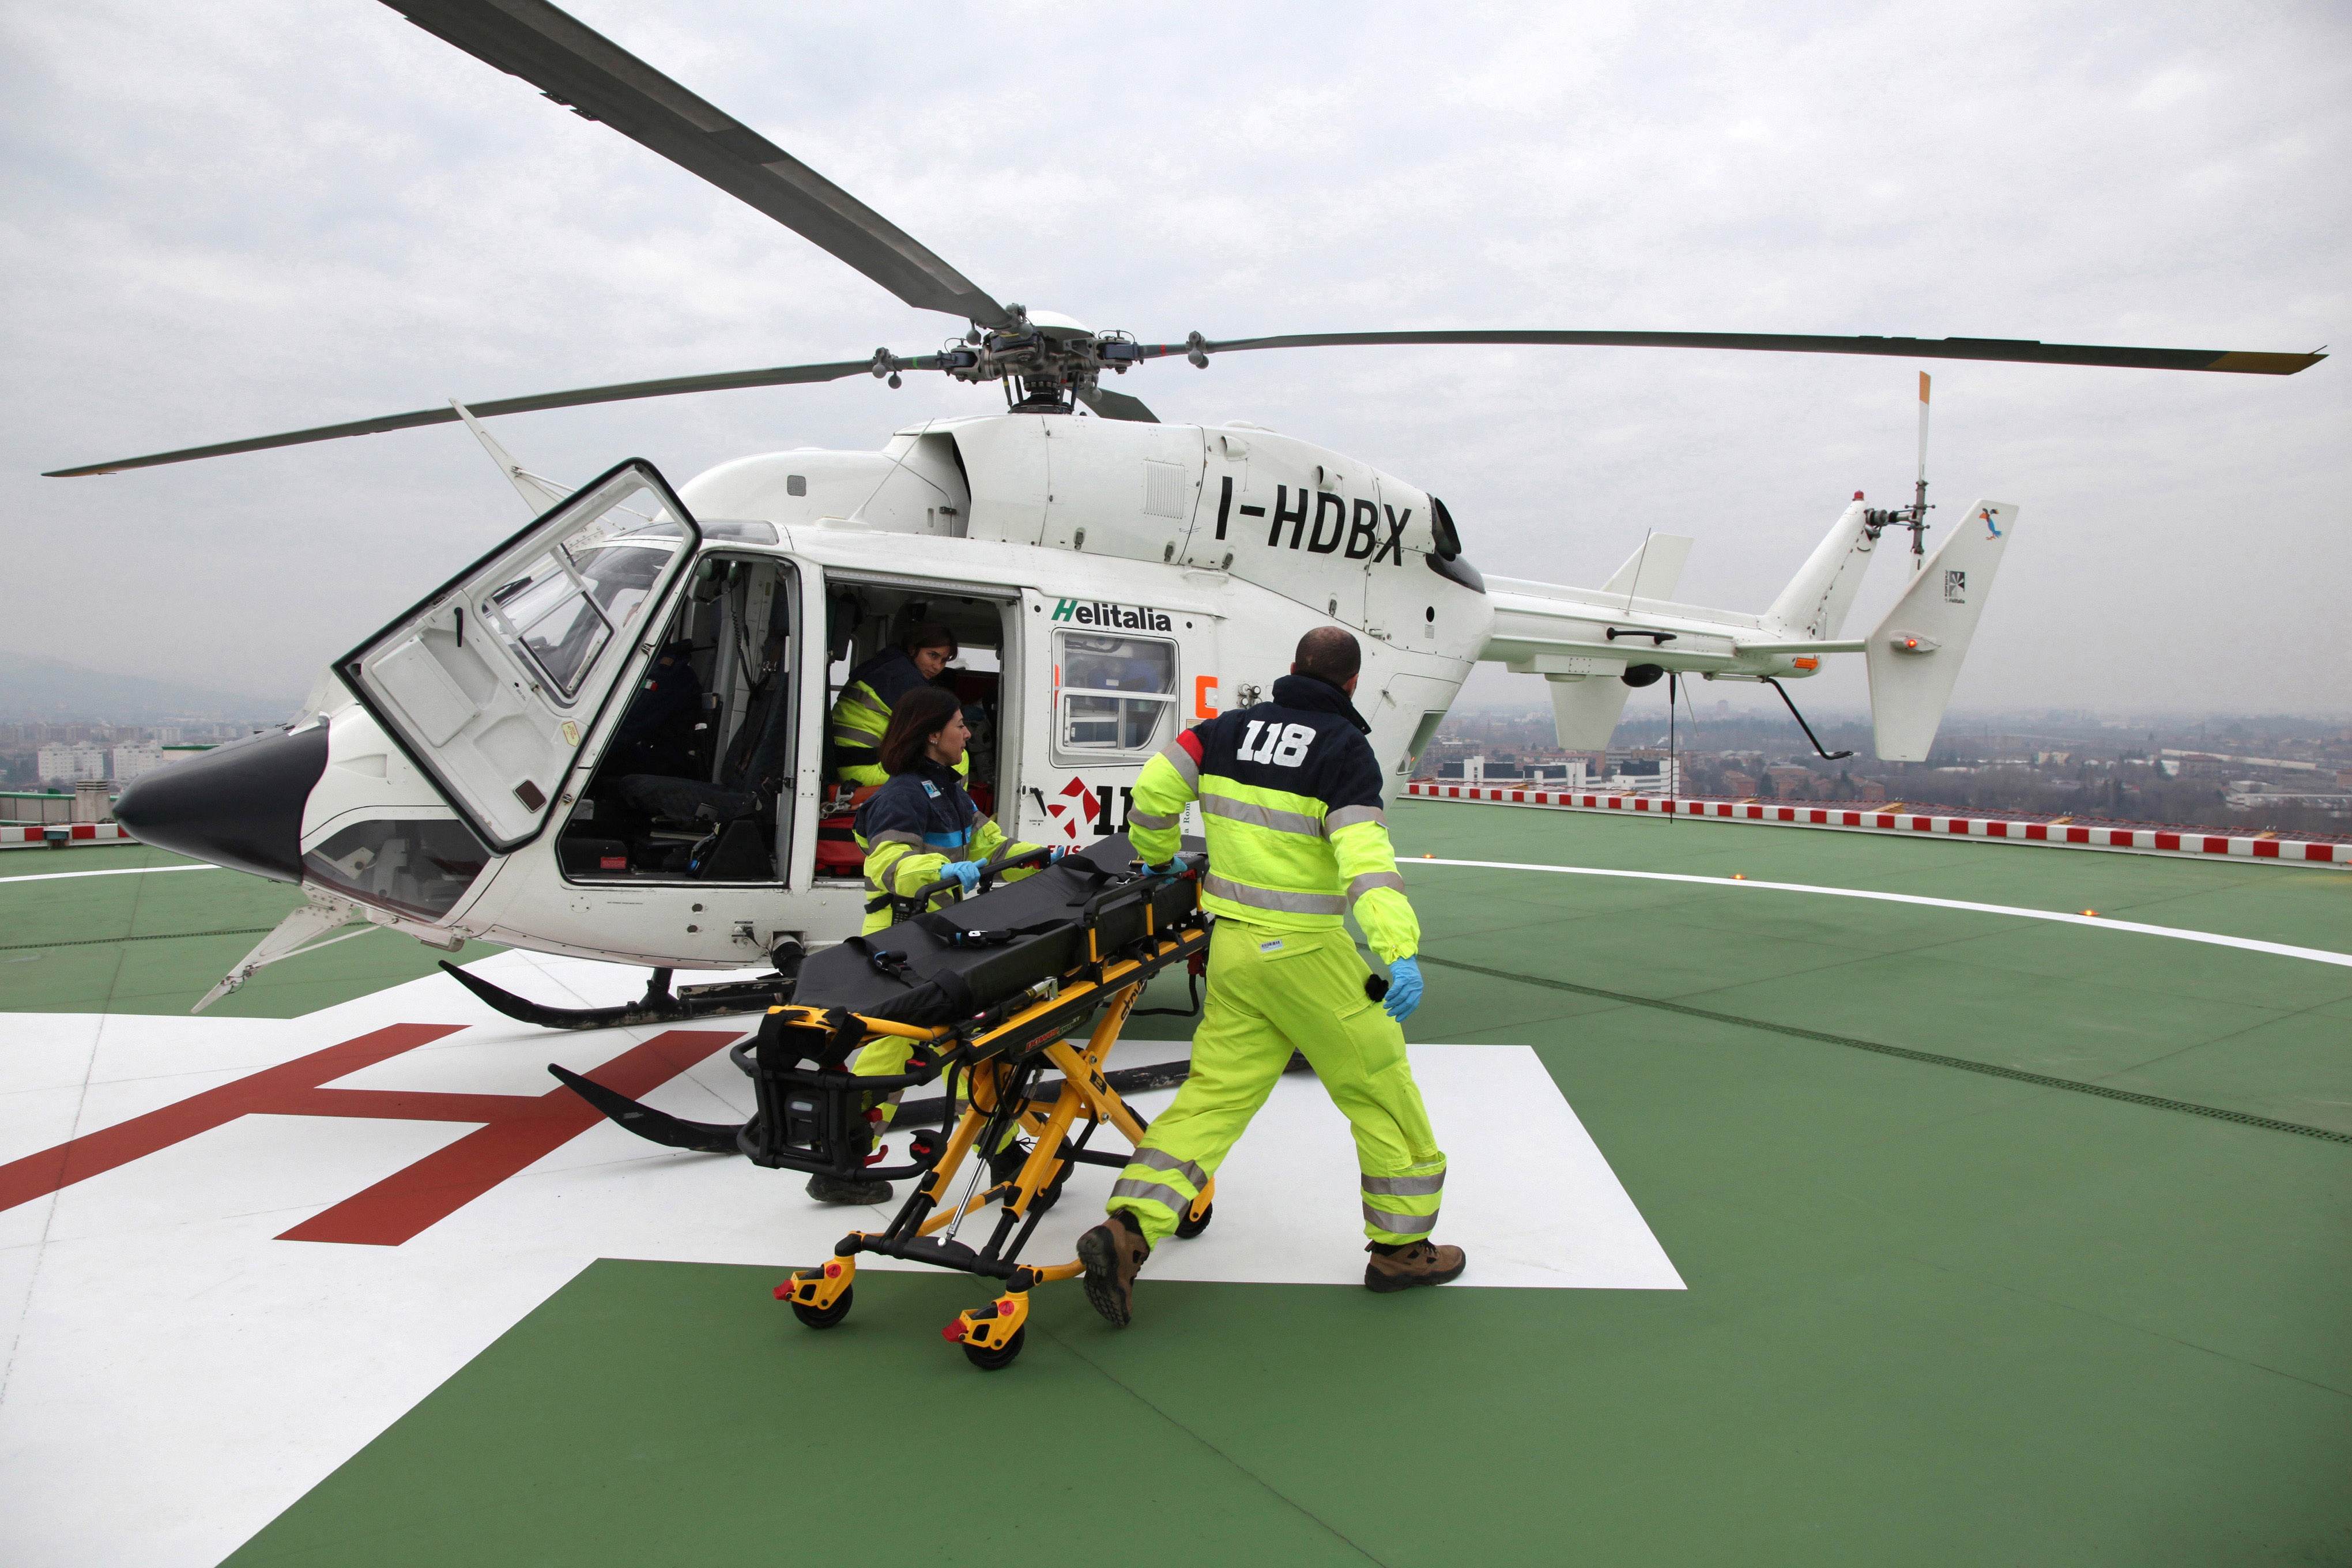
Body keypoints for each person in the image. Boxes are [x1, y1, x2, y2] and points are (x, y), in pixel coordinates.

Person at [1074, 626, 1462, 1323]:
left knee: (1213, 1098)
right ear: (1350, 684)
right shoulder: (1345, 750)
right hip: (1310, 956)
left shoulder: (1218, 733)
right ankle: (1402, 1251)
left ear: (1290, 671)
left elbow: (1154, 793)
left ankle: (1130, 1228)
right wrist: (1397, 947)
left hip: (1233, 952)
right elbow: (1364, 857)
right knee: (1380, 1088)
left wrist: (1160, 858)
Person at [805, 683, 1060, 1204]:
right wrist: (943, 871)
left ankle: (1002, 1153)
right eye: (960, 725)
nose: (968, 734)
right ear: (932, 735)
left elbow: (993, 845)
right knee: (892, 1048)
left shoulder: (949, 792)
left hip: (935, 939)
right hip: (900, 941)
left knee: (969, 1039)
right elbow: (887, 863)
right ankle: (841, 1162)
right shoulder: (900, 796)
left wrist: (1047, 861)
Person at [829, 621, 966, 787]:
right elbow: (933, 734)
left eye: (944, 661)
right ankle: (956, 811)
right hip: (864, 770)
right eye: (933, 655)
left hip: (846, 763)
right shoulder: (907, 681)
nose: (937, 667)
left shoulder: (887, 665)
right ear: (912, 648)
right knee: (957, 756)